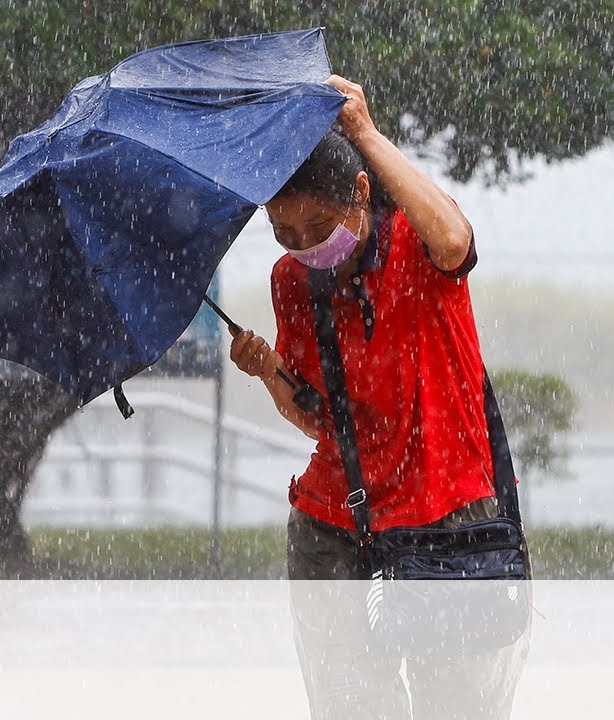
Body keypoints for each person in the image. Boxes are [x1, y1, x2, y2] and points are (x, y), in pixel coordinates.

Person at [228, 75, 528, 719]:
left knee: (459, 708)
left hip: (447, 520)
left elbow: (455, 240)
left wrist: (362, 132)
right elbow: (316, 419)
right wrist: (270, 372)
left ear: (361, 194)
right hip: (336, 524)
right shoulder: (292, 282)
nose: (306, 245)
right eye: (286, 231)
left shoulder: (419, 246)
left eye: (319, 224)